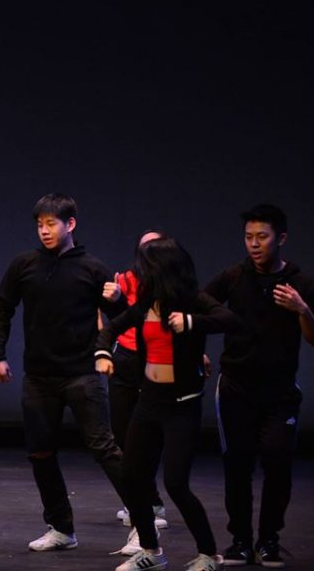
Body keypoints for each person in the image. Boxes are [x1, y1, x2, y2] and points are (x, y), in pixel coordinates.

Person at [0, 193, 131, 552]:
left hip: (81, 374)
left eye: (52, 223)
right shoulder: (25, 264)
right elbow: (1, 308)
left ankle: (142, 522)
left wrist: (117, 302)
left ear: (70, 224)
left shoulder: (92, 268)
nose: (45, 231)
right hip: (38, 377)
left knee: (104, 448)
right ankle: (61, 527)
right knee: (40, 453)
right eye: (40, 224)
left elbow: (123, 318)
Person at [96, 237, 241, 571]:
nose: (140, 272)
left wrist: (192, 323)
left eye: (146, 266)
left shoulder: (193, 300)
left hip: (182, 406)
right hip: (149, 403)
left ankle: (208, 553)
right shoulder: (148, 302)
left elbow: (231, 320)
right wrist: (103, 353)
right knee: (133, 477)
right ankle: (151, 550)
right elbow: (112, 330)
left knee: (175, 483)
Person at [205, 204, 314, 568]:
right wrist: (199, 351)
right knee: (237, 465)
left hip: (279, 392)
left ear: (281, 238)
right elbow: (199, 307)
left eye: (262, 237)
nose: (254, 244)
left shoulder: (301, 284)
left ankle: (269, 539)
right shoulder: (233, 277)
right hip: (236, 388)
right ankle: (241, 541)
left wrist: (302, 309)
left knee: (277, 460)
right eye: (248, 237)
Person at [102, 230, 170, 533]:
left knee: (149, 434)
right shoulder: (125, 281)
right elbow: (114, 320)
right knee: (120, 432)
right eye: (144, 249)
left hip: (154, 362)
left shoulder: (170, 285)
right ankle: (138, 499)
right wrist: (113, 300)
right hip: (125, 359)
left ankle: (151, 501)